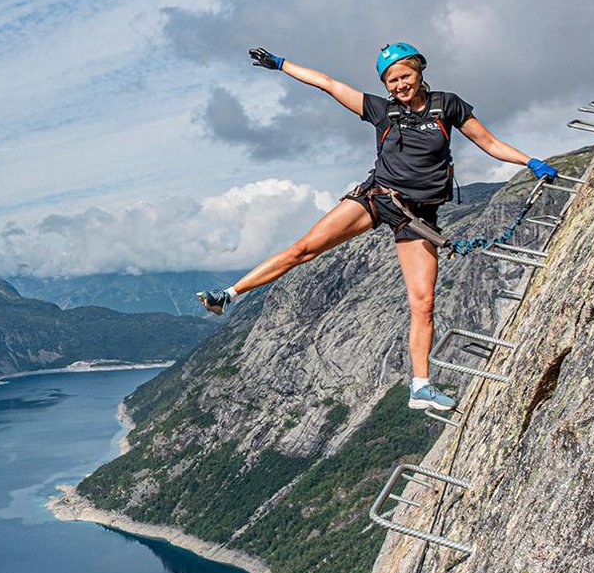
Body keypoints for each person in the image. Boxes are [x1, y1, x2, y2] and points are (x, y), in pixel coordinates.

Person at [197, 42, 558, 412]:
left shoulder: (447, 105)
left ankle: (420, 386)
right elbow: (327, 84)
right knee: (303, 250)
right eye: (391, 80)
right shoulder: (381, 110)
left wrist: (529, 161)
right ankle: (229, 293)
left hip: (418, 218)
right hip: (377, 198)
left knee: (424, 302)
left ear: (419, 71)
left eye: (405, 75)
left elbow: (489, 142)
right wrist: (281, 64)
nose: (399, 85)